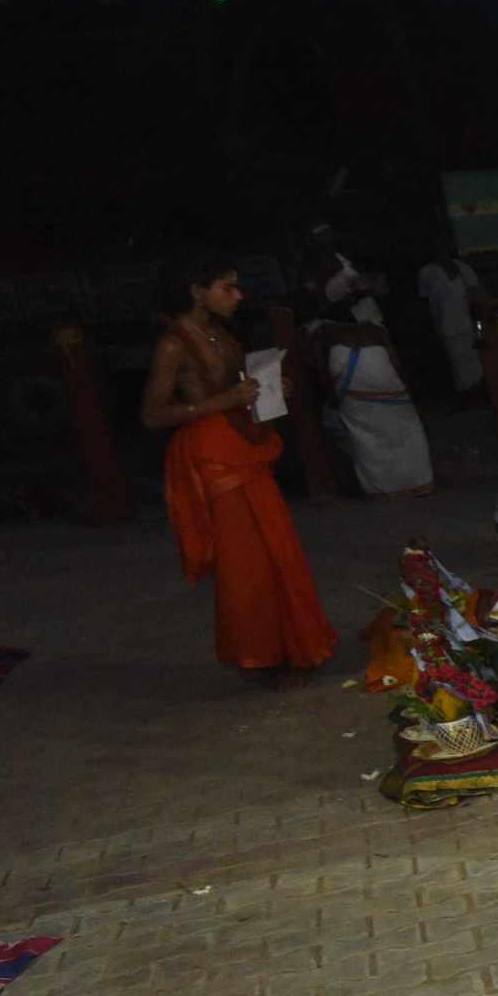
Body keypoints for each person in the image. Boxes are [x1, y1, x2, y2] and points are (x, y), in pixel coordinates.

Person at [143, 254, 336, 678]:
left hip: (243, 446)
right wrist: (223, 401)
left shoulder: (222, 334)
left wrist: (269, 388)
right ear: (197, 291)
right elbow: (153, 414)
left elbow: (240, 391)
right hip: (214, 457)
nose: (238, 296)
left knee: (278, 549)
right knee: (243, 562)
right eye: (227, 287)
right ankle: (261, 656)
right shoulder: (174, 343)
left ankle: (291, 646)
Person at [308, 302, 435, 497]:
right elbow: (396, 364)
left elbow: (321, 372)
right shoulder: (376, 331)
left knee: (366, 441)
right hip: (393, 393)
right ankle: (419, 482)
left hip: (354, 397)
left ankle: (384, 489)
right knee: (407, 434)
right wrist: (410, 396)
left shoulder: (323, 334)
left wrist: (333, 398)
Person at [416, 242, 486, 394]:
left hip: (469, 327)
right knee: (458, 366)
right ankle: (468, 394)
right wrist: (433, 329)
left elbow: (477, 303)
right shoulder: (426, 272)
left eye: (443, 249)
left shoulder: (464, 269)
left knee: (476, 364)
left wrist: (480, 332)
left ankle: (478, 393)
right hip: (447, 329)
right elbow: (427, 304)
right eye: (436, 249)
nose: (440, 252)